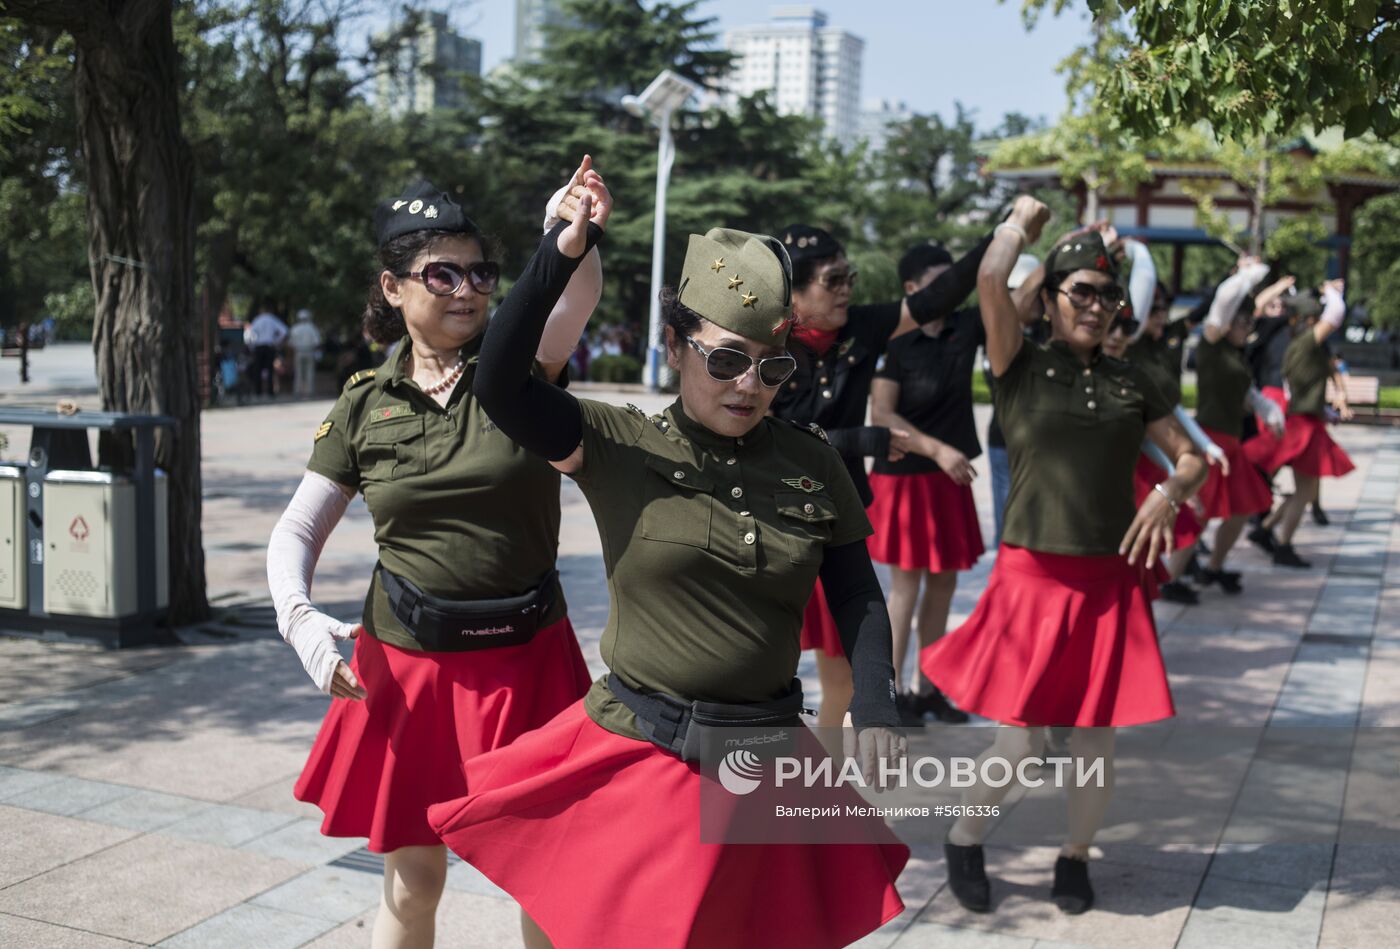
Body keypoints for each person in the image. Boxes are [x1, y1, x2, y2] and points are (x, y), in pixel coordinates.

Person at [429, 162, 909, 949]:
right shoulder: (619, 443)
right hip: (639, 745)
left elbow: (855, 591)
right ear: (676, 345)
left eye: (771, 365)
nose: (749, 384)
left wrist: (876, 702)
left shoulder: (810, 459)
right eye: (726, 359)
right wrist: (562, 247)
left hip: (761, 755)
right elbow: (501, 384)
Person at [266, 174, 603, 949]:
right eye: (441, 274)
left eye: (480, 273)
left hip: (528, 661)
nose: (467, 291)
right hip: (411, 665)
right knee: (414, 884)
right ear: (393, 285)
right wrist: (302, 622)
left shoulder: (517, 366)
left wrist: (570, 229)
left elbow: (573, 301)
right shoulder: (362, 401)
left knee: (547, 876)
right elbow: (296, 532)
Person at [922, 207, 1208, 916]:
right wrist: (1022, 223)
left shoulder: (1131, 378)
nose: (1096, 306)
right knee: (1019, 742)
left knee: (1094, 743)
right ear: (1049, 294)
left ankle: (1075, 857)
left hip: (1107, 580)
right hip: (1033, 576)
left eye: (1107, 296)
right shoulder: (1018, 362)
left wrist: (1170, 491)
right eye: (1079, 291)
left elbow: (1193, 456)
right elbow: (991, 276)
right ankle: (965, 835)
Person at [770, 224, 993, 729]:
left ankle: (818, 798)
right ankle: (761, 797)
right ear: (796, 291)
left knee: (843, 685)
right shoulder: (766, 344)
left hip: (834, 528)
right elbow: (770, 433)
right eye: (834, 279)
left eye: (848, 275)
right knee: (765, 677)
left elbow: (938, 297)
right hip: (770, 528)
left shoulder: (861, 330)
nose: (847, 287)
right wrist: (856, 441)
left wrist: (1006, 232)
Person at [866, 241, 1010, 723]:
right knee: (904, 590)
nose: (949, 291)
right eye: (937, 282)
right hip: (906, 476)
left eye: (954, 281)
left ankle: (928, 688)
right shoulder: (893, 338)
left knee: (944, 586)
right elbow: (882, 413)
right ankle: (890, 694)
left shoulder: (965, 326)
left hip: (950, 478)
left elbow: (1004, 288)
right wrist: (938, 449)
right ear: (911, 289)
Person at [1244, 281, 1354, 566]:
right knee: (1305, 492)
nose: (1323, 323)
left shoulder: (1299, 344)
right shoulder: (1305, 343)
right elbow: (1337, 312)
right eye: (1317, 319)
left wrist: (1328, 412)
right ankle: (1283, 546)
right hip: (1303, 426)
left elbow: (1304, 389)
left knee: (1303, 489)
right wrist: (1332, 292)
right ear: (1308, 321)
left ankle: (1266, 529)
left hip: (1304, 422)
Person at [1191, 259, 1284, 593]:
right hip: (1210, 438)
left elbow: (1246, 390)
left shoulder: (1234, 352)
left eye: (1249, 322)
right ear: (1228, 323)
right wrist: (1248, 275)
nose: (1248, 327)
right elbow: (1222, 304)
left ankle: (1213, 566)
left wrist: (1267, 408)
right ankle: (1173, 574)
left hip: (1230, 440)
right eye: (1243, 322)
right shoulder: (1212, 344)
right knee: (1199, 514)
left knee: (1241, 510)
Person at [246, 303, 289, 398]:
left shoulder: (257, 320)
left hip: (259, 347)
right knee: (270, 369)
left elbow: (249, 333)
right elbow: (284, 331)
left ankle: (258, 392)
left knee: (258, 369)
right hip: (270, 346)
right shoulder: (272, 319)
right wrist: (276, 342)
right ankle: (270, 392)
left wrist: (251, 345)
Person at [289, 308, 323, 397]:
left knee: (298, 372)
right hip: (309, 351)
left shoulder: (295, 329)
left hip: (298, 352)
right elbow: (317, 342)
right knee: (309, 372)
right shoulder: (312, 328)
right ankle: (309, 392)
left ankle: (297, 391)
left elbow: (291, 343)